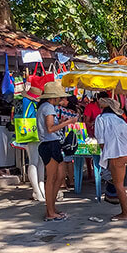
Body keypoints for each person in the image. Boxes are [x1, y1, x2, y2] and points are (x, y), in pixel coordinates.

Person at [37, 82, 78, 221]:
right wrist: (68, 122)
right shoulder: (48, 107)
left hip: (51, 143)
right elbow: (50, 129)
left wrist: (61, 121)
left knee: (60, 176)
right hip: (50, 144)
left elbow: (50, 126)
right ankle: (50, 211)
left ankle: (52, 208)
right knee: (52, 179)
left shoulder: (46, 107)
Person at [95, 98, 127, 221]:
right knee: (118, 183)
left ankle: (125, 213)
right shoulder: (120, 120)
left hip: (116, 153)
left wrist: (106, 153)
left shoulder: (101, 119)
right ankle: (123, 211)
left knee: (119, 185)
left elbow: (101, 141)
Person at [56, 95, 80, 189]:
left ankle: (63, 182)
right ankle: (72, 180)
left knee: (61, 160)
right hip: (73, 137)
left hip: (62, 136)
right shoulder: (75, 111)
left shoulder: (59, 110)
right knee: (69, 160)